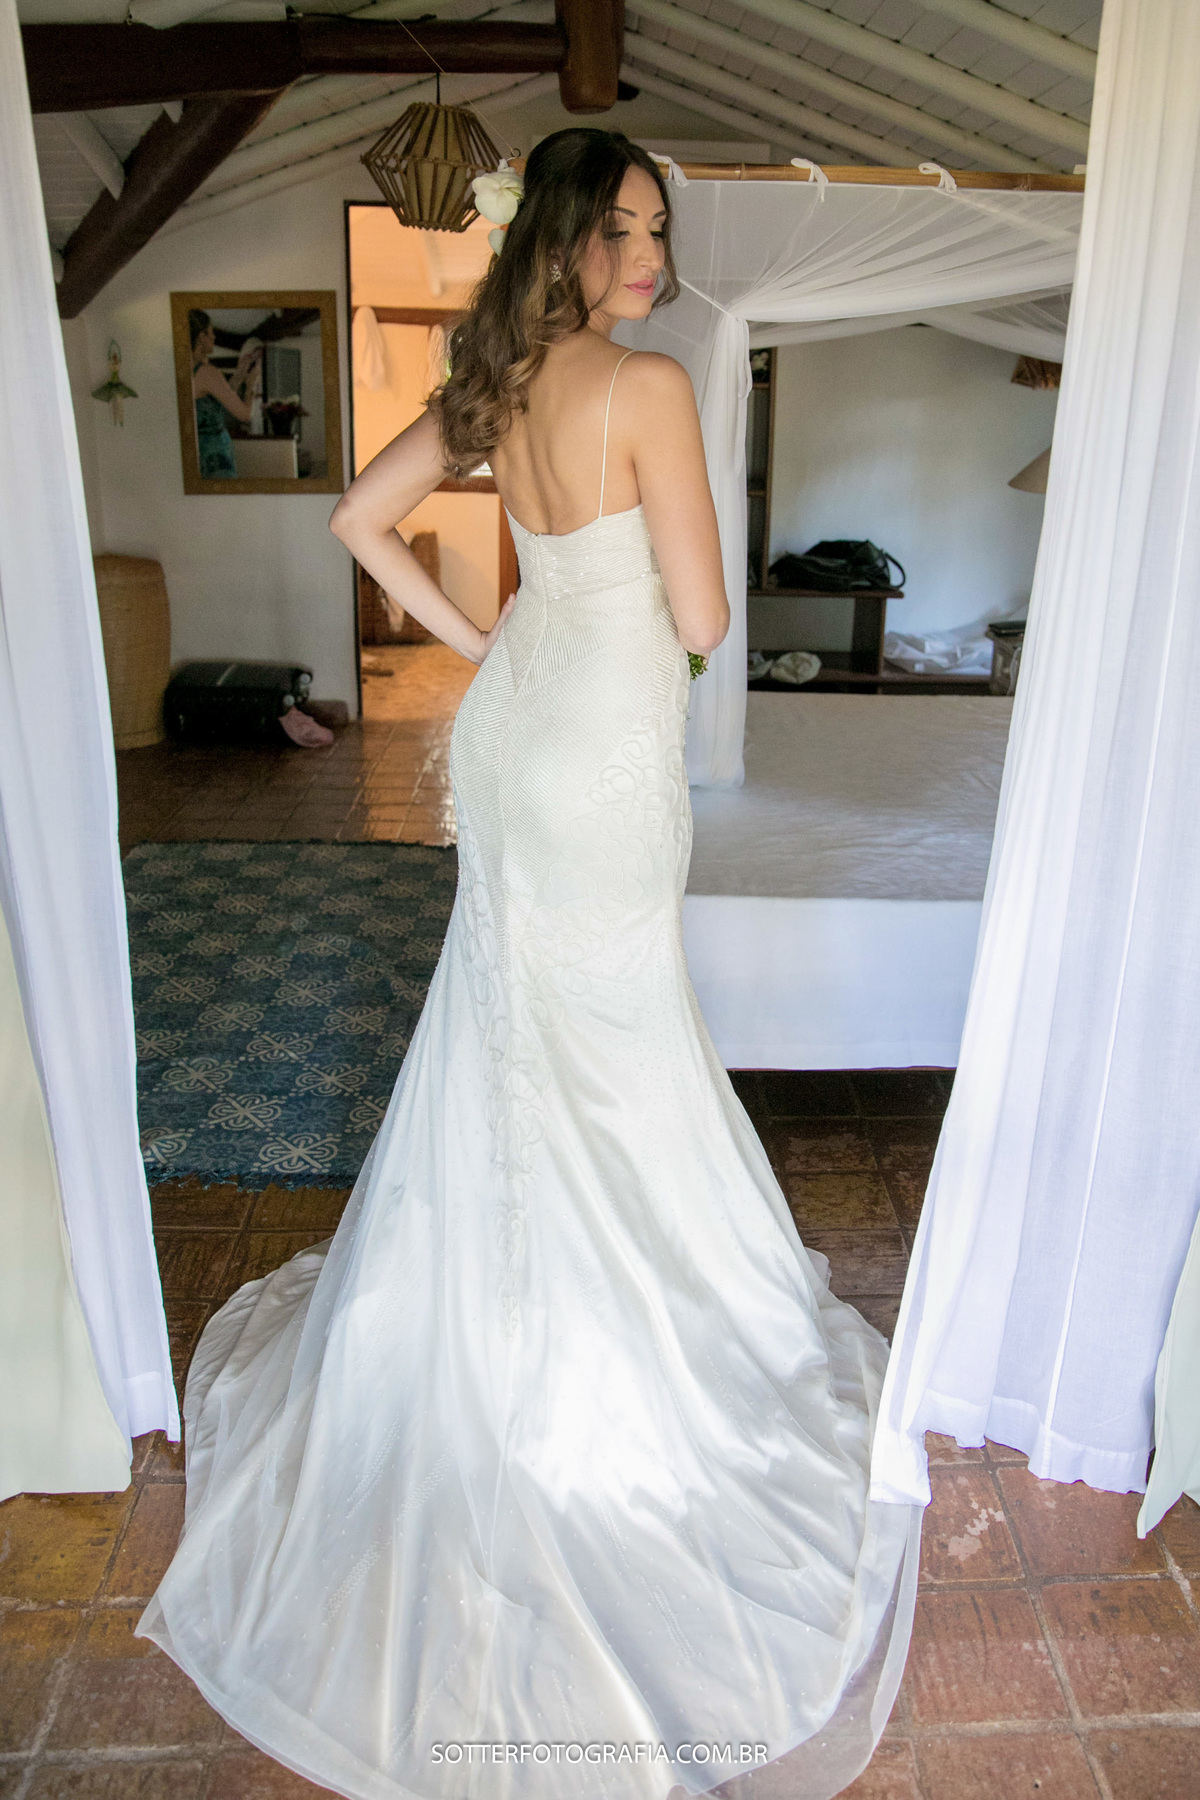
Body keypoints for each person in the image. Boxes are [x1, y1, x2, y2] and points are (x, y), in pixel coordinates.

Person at [137, 130, 920, 1799]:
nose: (647, 253)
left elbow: (363, 517)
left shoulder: (497, 389)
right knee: (621, 1048)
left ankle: (484, 1341)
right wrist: (597, 615)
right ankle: (620, 1353)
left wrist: (492, 642)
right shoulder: (642, 390)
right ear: (561, 235)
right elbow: (705, 619)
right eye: (623, 227)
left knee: (517, 1037)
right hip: (610, 762)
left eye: (658, 227)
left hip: (515, 746)